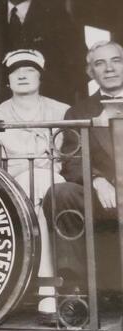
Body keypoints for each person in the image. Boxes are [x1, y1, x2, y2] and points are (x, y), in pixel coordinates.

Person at [0, 49, 69, 322]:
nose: (22, 75)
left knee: (45, 191)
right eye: (16, 70)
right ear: (7, 80)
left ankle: (33, 285)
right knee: (35, 194)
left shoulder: (61, 110)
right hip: (12, 183)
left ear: (40, 76)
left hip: (51, 181)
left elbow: (67, 156)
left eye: (29, 70)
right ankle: (46, 288)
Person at [43, 40, 123, 299]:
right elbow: (71, 161)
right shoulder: (79, 111)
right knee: (60, 193)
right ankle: (74, 293)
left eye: (116, 60)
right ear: (91, 72)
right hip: (105, 197)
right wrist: (98, 181)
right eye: (100, 63)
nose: (109, 68)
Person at [0, 0, 85, 107]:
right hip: (5, 108)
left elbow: (82, 64)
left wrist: (58, 92)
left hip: (50, 107)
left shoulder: (55, 15)